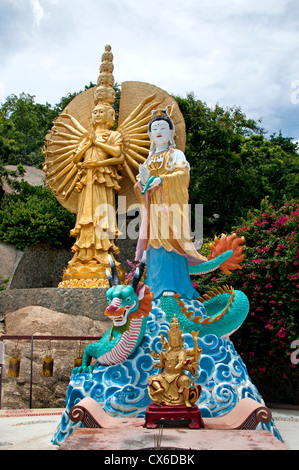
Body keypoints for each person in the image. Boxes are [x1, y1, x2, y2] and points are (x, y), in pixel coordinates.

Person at [134, 109, 207, 299]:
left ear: (171, 133)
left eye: (163, 128)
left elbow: (183, 176)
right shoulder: (147, 160)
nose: (158, 131)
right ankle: (153, 289)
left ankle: (176, 288)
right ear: (149, 134)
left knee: (171, 244)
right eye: (154, 128)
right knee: (154, 247)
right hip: (153, 209)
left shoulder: (176, 154)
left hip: (171, 207)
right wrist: (142, 183)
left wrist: (162, 180)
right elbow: (139, 189)